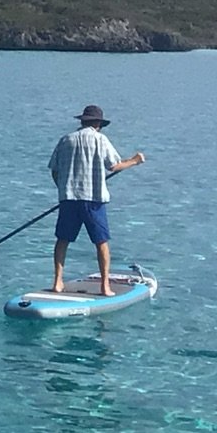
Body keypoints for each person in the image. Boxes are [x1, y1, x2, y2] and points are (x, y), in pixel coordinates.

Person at [49, 105, 145, 295]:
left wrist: (63, 188)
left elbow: (54, 170)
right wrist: (134, 161)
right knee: (101, 242)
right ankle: (105, 286)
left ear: (82, 121)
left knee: (62, 240)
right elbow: (114, 166)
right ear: (98, 124)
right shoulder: (100, 140)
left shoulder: (66, 140)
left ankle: (57, 282)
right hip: (93, 200)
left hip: (68, 198)